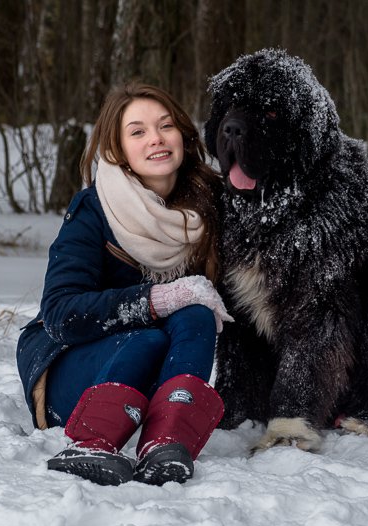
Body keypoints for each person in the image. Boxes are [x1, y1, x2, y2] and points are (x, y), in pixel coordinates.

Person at [16, 82, 232, 487]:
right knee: (146, 338)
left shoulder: (208, 206)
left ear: (183, 135)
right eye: (137, 132)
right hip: (74, 374)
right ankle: (91, 443)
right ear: (116, 150)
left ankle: (167, 441)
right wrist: (155, 299)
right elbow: (60, 314)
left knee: (198, 313)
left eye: (165, 126)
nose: (156, 139)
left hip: (155, 379)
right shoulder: (93, 210)